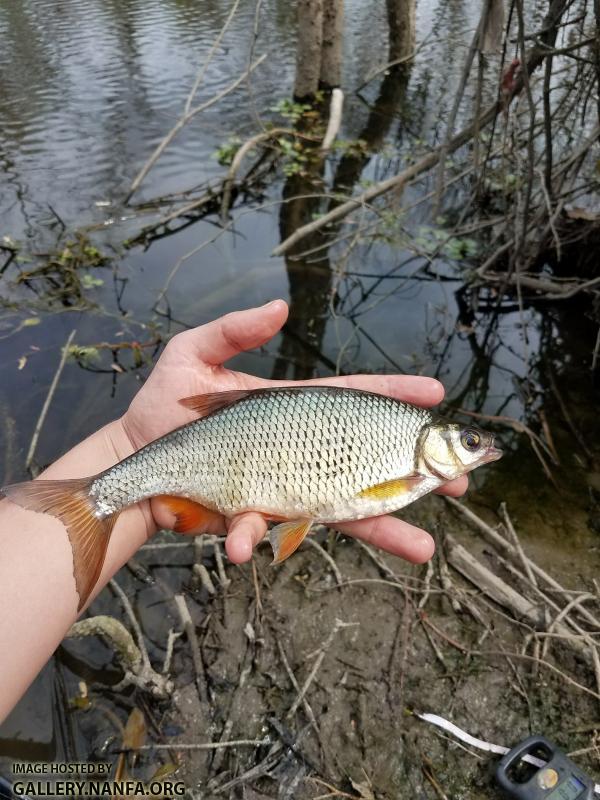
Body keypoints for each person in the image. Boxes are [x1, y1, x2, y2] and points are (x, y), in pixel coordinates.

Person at [0, 300, 467, 722]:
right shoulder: (412, 455)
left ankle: (96, 498)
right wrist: (129, 444)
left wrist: (127, 444)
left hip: (251, 460)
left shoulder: (410, 447)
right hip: (229, 451)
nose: (475, 450)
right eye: (468, 444)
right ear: (439, 442)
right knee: (108, 496)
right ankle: (93, 500)